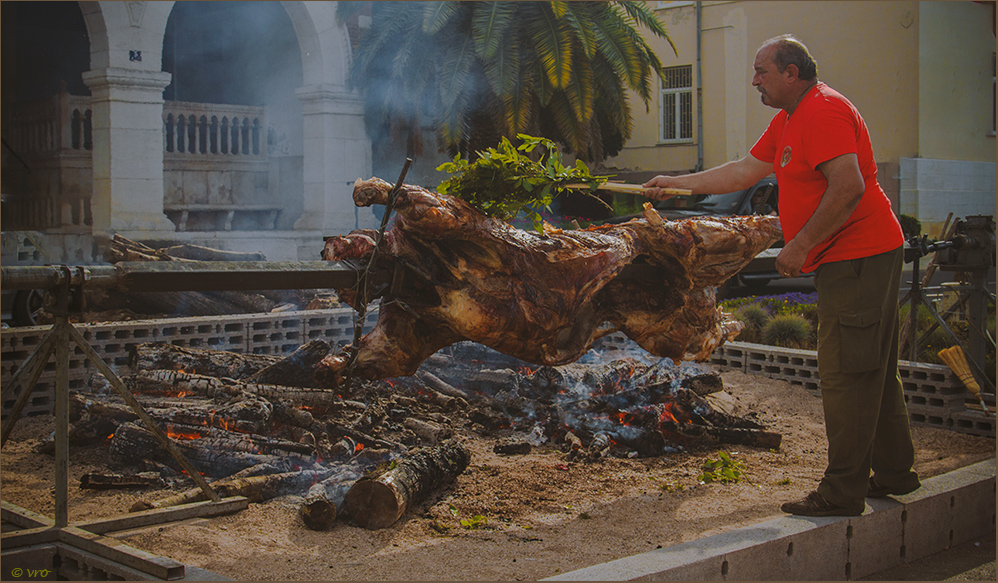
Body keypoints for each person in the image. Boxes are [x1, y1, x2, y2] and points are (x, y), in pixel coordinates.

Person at [642, 34, 920, 517]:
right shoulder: (789, 119)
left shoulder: (824, 111)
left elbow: (849, 185)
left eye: (762, 71)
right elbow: (744, 171)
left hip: (858, 256)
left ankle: (842, 493)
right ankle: (895, 472)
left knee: (847, 373)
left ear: (792, 73)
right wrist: (676, 184)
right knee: (872, 366)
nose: (754, 80)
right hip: (855, 256)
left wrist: (802, 244)